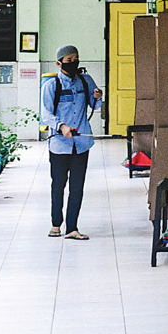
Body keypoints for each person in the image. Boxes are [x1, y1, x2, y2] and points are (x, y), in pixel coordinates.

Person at [39, 45, 102, 240]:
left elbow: (95, 105)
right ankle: (56, 224)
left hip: (81, 143)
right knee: (58, 185)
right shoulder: (51, 86)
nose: (73, 62)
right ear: (59, 63)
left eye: (76, 58)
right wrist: (61, 126)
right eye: (69, 59)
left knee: (77, 186)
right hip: (59, 144)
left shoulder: (86, 81)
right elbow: (45, 114)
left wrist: (98, 97)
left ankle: (72, 227)